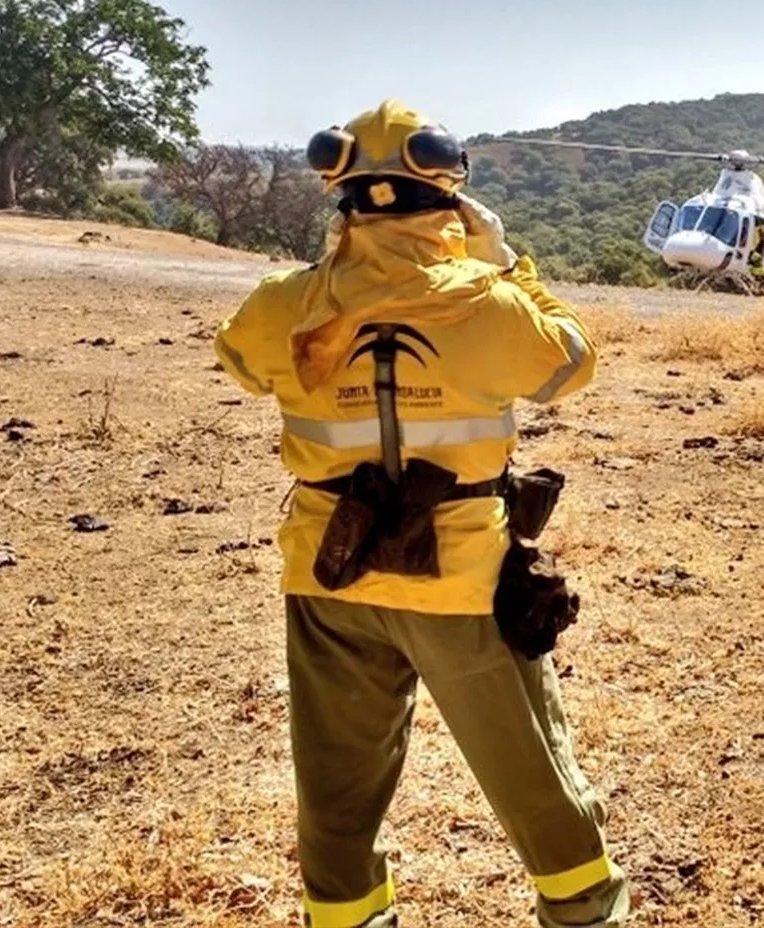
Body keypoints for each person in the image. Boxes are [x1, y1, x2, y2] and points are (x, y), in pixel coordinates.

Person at [212, 99, 628, 928]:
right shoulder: (491, 305)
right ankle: (582, 909)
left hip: (328, 572)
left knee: (335, 787)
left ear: (348, 197)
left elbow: (240, 358)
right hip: (461, 582)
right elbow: (571, 362)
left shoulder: (285, 305)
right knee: (532, 773)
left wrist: (337, 274)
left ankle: (347, 915)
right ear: (449, 198)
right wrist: (504, 261)